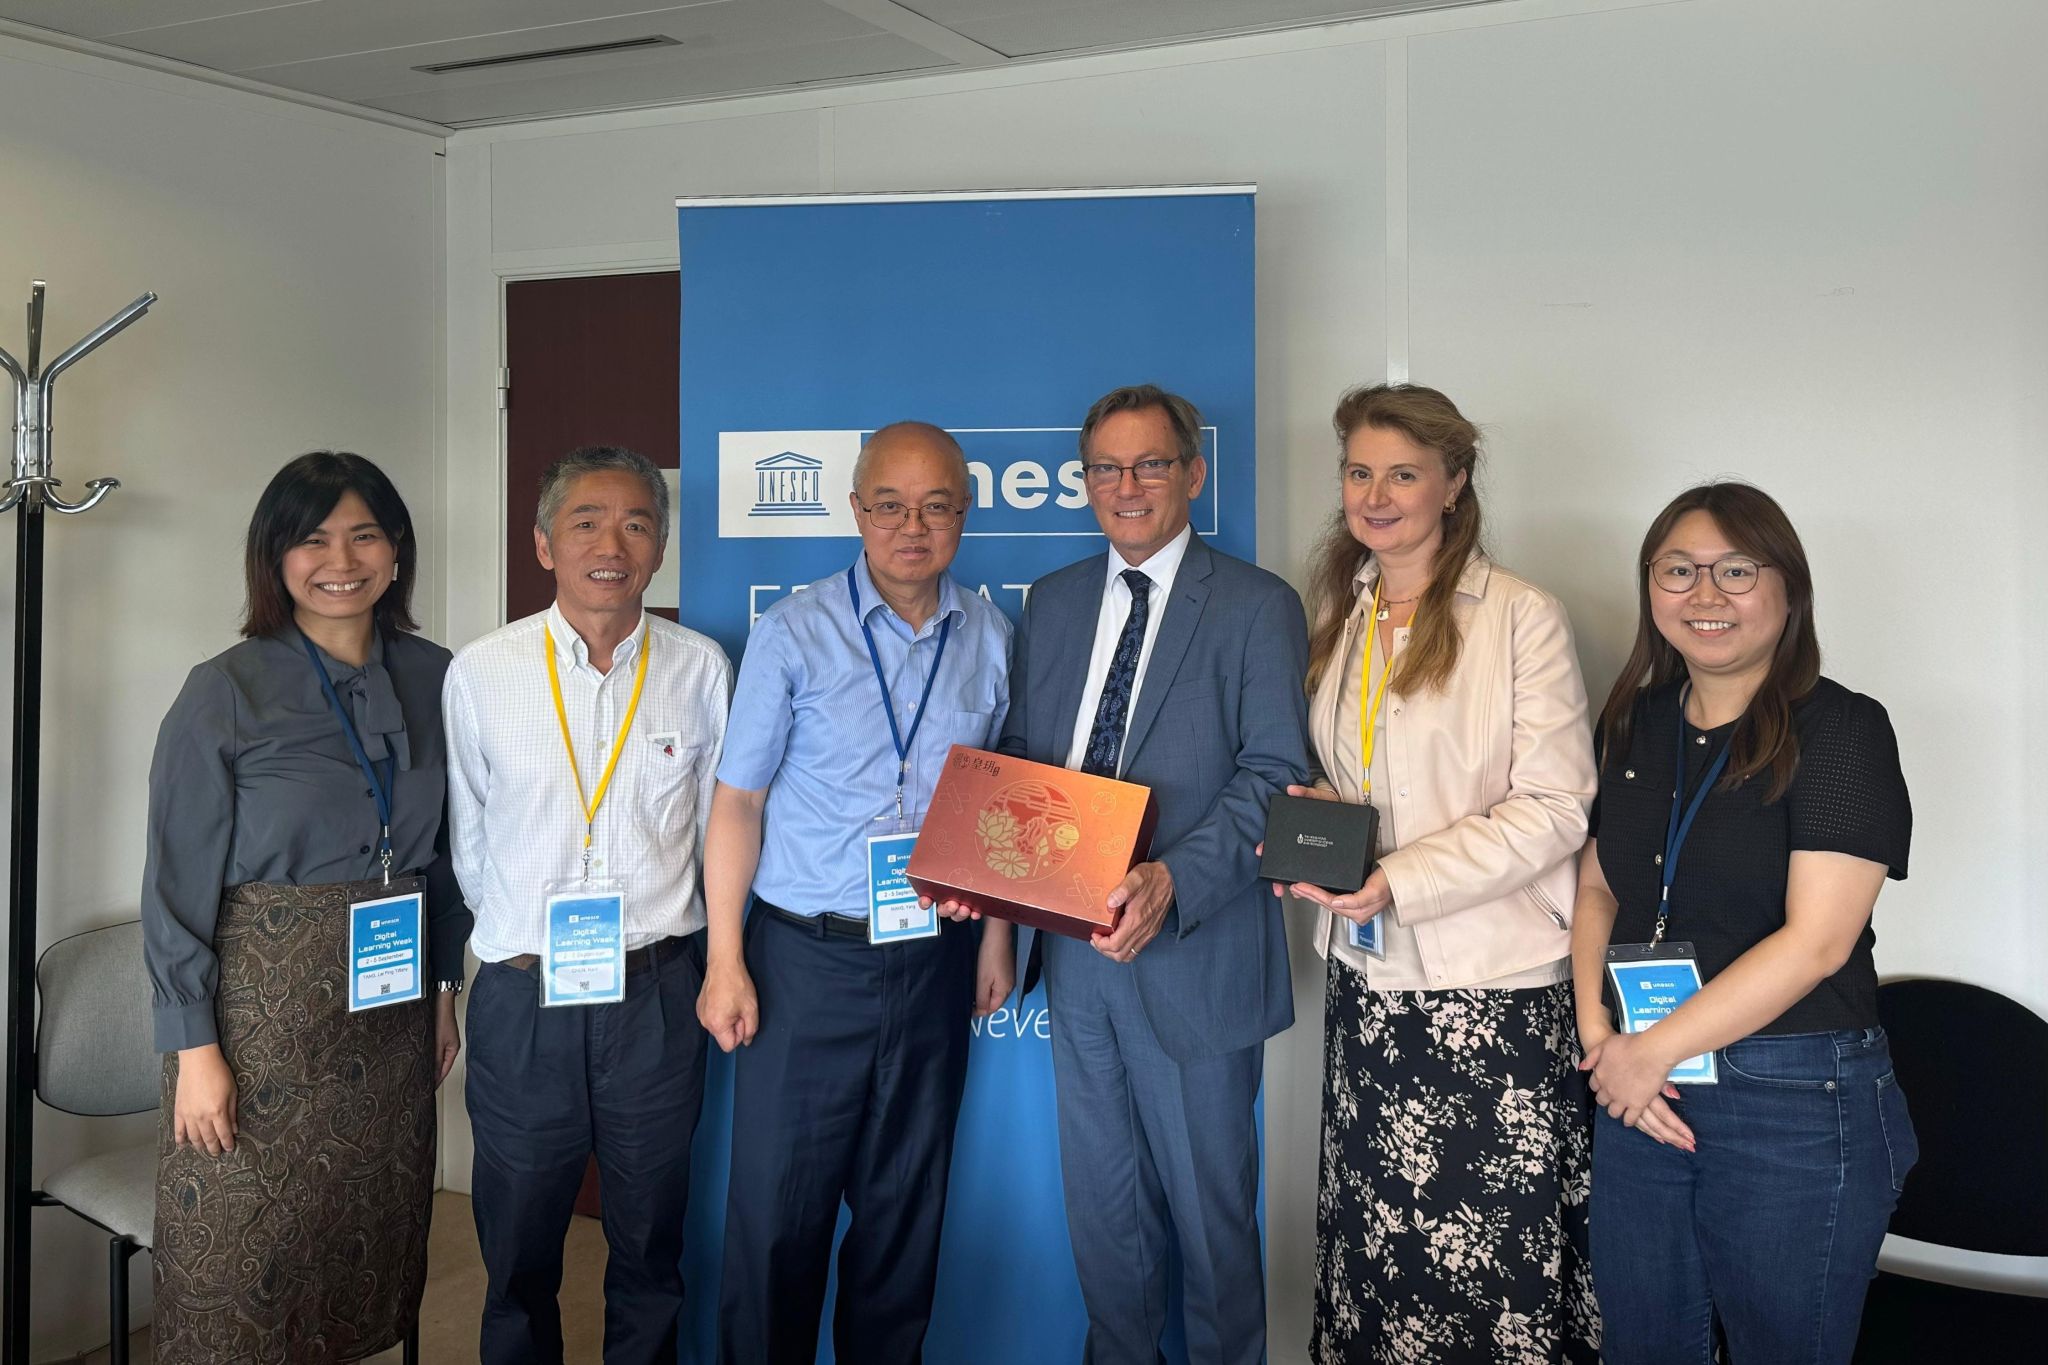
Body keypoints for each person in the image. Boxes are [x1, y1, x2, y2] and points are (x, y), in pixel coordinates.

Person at [1275, 384, 1600, 1362]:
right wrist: (1320, 820)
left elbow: (1557, 807)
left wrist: (1398, 881)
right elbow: (1365, 776)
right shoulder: (1343, 609)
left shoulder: (1521, 616)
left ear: (1453, 484)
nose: (1375, 496)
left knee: (1488, 1262)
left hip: (1489, 993)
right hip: (1367, 980)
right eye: (1359, 472)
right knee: (1381, 1249)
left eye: (1403, 475)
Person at [986, 384, 1308, 1365]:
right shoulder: (1053, 601)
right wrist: (993, 897)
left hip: (1196, 955)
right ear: (1085, 480)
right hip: (1074, 956)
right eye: (1105, 468)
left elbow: (1276, 775)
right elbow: (1023, 760)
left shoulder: (1257, 605)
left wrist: (1171, 880)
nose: (1126, 486)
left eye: (1150, 464)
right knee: (1105, 1219)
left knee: (1213, 1229)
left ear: (1192, 473)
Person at [1571, 481, 1914, 1364]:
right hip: (1641, 1084)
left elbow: (1818, 942)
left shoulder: (1841, 728)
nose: (1705, 594)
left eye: (1736, 569)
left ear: (1788, 588)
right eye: (1678, 570)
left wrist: (1648, 1050)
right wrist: (1601, 1034)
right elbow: (1599, 884)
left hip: (1793, 1094)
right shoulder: (1634, 720)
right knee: (1644, 1344)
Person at [701, 421, 1015, 1365]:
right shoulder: (794, 631)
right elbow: (738, 801)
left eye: (936, 506)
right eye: (889, 505)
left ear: (965, 513)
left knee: (903, 1222)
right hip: (805, 962)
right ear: (855, 510)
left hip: (932, 961)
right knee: (776, 1226)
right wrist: (725, 956)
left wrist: (996, 939)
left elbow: (1002, 805)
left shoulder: (990, 635)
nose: (912, 526)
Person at [143, 451, 467, 1365]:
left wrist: (445, 991)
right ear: (275, 555)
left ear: (397, 550)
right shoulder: (225, 689)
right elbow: (173, 885)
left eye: (365, 534)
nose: (341, 560)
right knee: (241, 1265)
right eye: (313, 538)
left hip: (388, 1016)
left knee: (358, 1246)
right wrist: (194, 1050)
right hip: (255, 1030)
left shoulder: (439, 675)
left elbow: (449, 860)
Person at [444, 445, 731, 1365]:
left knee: (650, 1243)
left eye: (637, 524)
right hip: (524, 999)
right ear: (543, 544)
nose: (612, 545)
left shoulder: (700, 668)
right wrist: (523, 937)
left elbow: (719, 832)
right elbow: (470, 840)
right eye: (586, 523)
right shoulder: (482, 671)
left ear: (660, 548)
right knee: (518, 1248)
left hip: (657, 995)